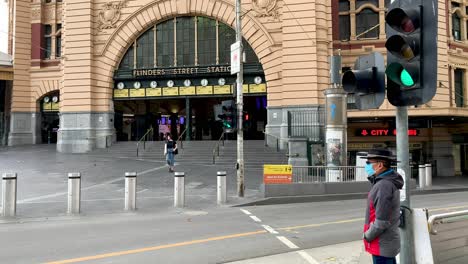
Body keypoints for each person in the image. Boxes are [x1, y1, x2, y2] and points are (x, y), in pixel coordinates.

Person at [362, 148, 404, 264]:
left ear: (380, 165)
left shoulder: (383, 185)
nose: (367, 166)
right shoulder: (384, 182)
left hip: (381, 244)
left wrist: (367, 236)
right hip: (384, 244)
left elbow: (381, 221)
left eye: (368, 163)